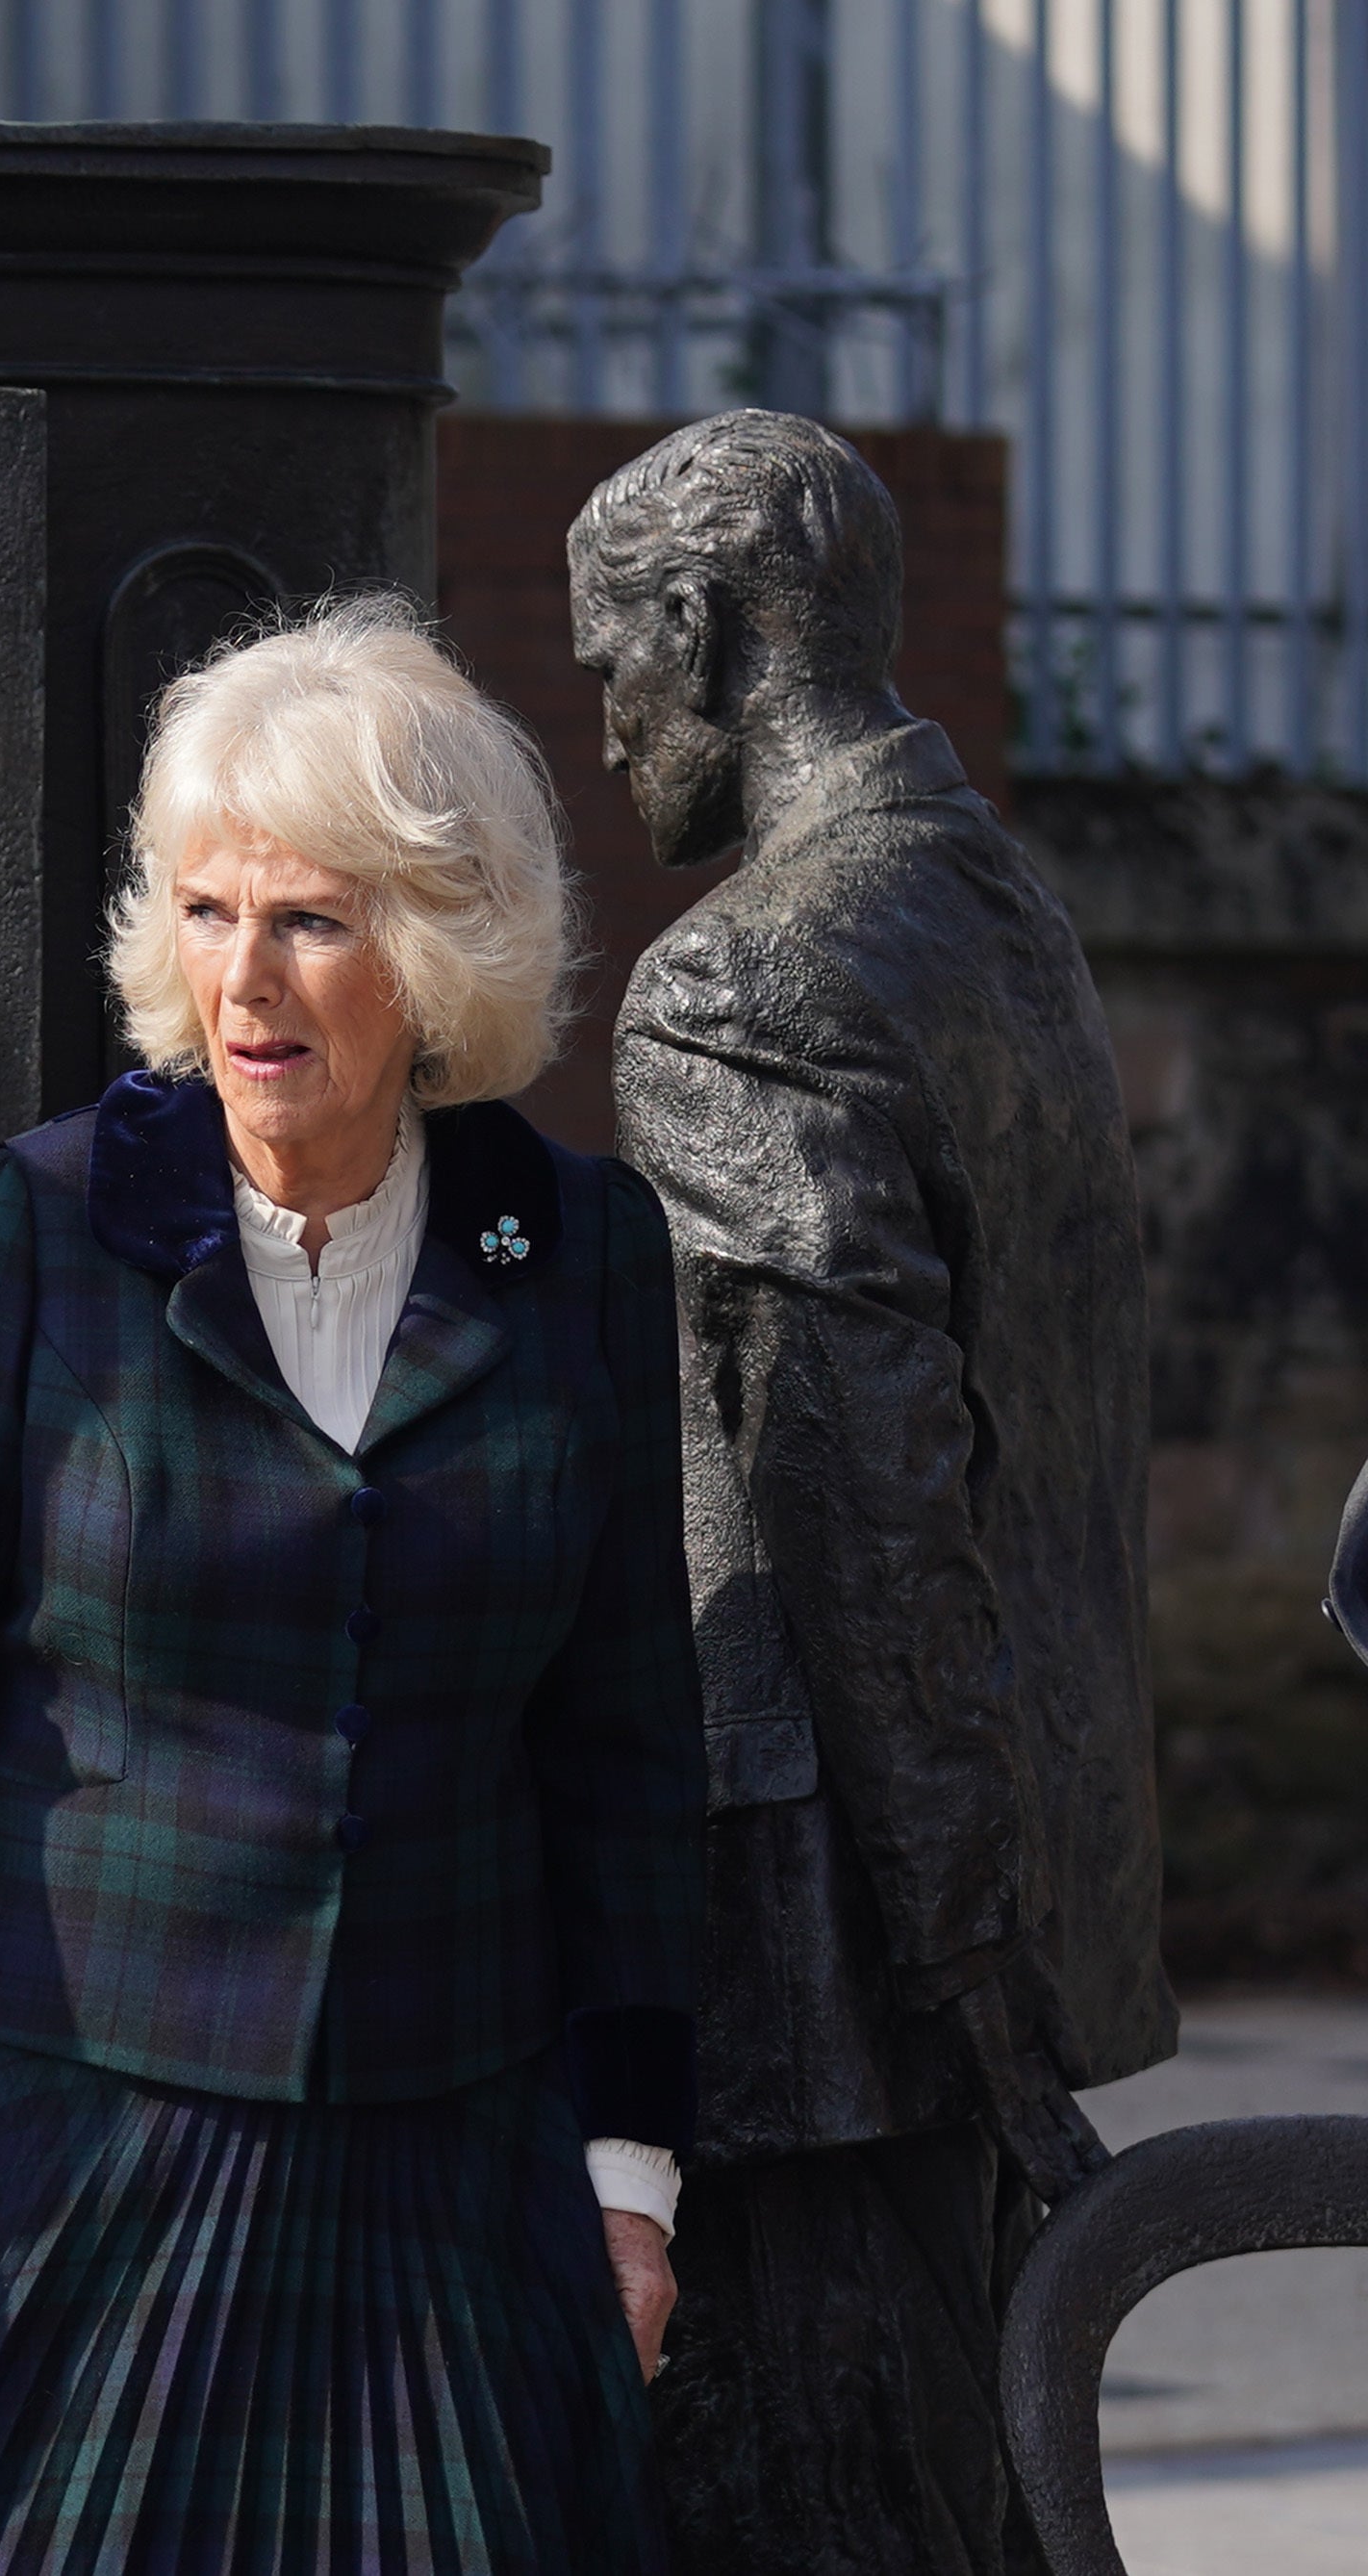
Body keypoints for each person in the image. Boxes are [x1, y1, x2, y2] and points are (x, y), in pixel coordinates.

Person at [0, 598, 705, 2574]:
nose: (237, 977)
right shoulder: (33, 1228)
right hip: (62, 2152)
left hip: (452, 2166)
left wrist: (629, 2160)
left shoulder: (577, 1249)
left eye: (309, 919)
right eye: (202, 908)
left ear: (434, 952)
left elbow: (623, 1753)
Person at [585, 410, 1174, 2575]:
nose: (605, 721)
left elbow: (863, 1514)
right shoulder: (996, 905)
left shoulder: (736, 981)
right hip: (993, 1923)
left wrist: (963, 1982)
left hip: (843, 1973)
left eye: (608, 663)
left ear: (705, 626)